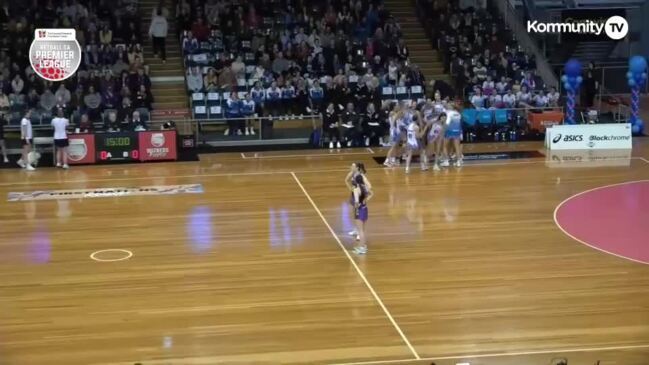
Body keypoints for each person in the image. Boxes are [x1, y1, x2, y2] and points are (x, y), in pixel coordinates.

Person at [350, 164, 373, 254]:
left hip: (359, 210)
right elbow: (371, 193)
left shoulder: (356, 189)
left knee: (360, 231)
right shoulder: (365, 188)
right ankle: (362, 246)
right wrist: (365, 200)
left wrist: (357, 206)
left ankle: (362, 248)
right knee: (362, 230)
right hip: (365, 209)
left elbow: (355, 203)